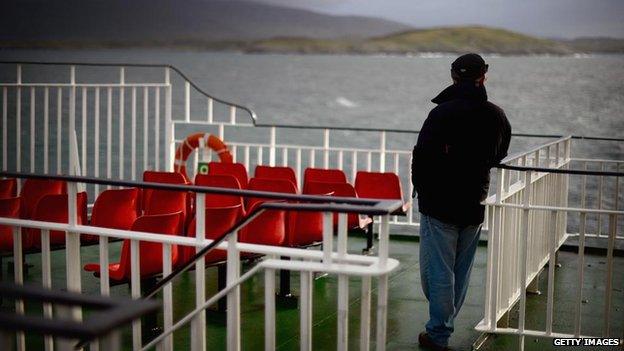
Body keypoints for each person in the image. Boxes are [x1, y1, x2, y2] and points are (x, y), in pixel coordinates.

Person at [411, 53, 511, 351]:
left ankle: (439, 333)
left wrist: (423, 188)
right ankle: (442, 326)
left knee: (438, 274)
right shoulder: (496, 115)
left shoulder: (442, 113)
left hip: (439, 204)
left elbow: (422, 155)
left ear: (454, 76)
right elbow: (499, 154)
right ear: (484, 76)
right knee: (460, 271)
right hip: (473, 203)